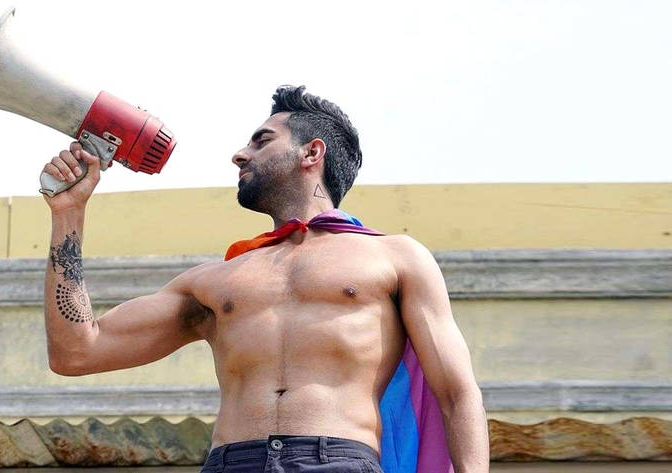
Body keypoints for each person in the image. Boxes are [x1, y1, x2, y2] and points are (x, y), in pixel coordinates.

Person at [40, 85, 489, 473]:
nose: (240, 154)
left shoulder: (395, 257)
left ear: (312, 152)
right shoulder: (215, 280)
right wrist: (69, 212)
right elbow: (77, 352)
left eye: (261, 141)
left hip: (338, 460)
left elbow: (456, 392)